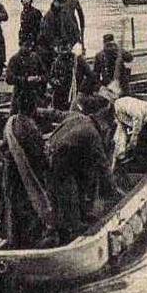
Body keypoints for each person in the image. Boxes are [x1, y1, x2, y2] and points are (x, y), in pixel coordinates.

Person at [47, 95, 125, 243]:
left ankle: (69, 223)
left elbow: (54, 114)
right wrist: (116, 193)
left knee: (61, 196)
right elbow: (104, 166)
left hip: (50, 156)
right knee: (68, 197)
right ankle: (71, 233)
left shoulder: (75, 116)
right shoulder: (93, 134)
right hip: (60, 164)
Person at [0, 112, 58, 250]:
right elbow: (38, 157)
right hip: (20, 175)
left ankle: (14, 240)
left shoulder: (12, 122)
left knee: (12, 207)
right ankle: (27, 241)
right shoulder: (27, 125)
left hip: (10, 174)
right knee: (25, 206)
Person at [111, 95, 147, 168]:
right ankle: (145, 163)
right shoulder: (117, 114)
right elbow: (123, 129)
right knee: (141, 145)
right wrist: (123, 147)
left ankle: (146, 167)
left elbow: (137, 117)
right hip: (145, 122)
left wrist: (134, 136)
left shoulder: (121, 104)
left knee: (142, 144)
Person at [5, 34, 47, 116]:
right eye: (26, 46)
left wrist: (39, 78)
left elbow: (45, 74)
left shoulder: (35, 58)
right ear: (20, 45)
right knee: (16, 118)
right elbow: (9, 78)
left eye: (31, 46)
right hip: (19, 94)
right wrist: (25, 79)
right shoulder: (15, 59)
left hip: (34, 95)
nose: (29, 48)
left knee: (36, 117)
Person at [39, 0, 83, 69]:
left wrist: (71, 43)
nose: (62, 6)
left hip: (65, 45)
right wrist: (54, 45)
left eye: (62, 3)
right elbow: (45, 34)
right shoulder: (48, 16)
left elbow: (74, 30)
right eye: (58, 3)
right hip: (51, 47)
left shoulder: (65, 14)